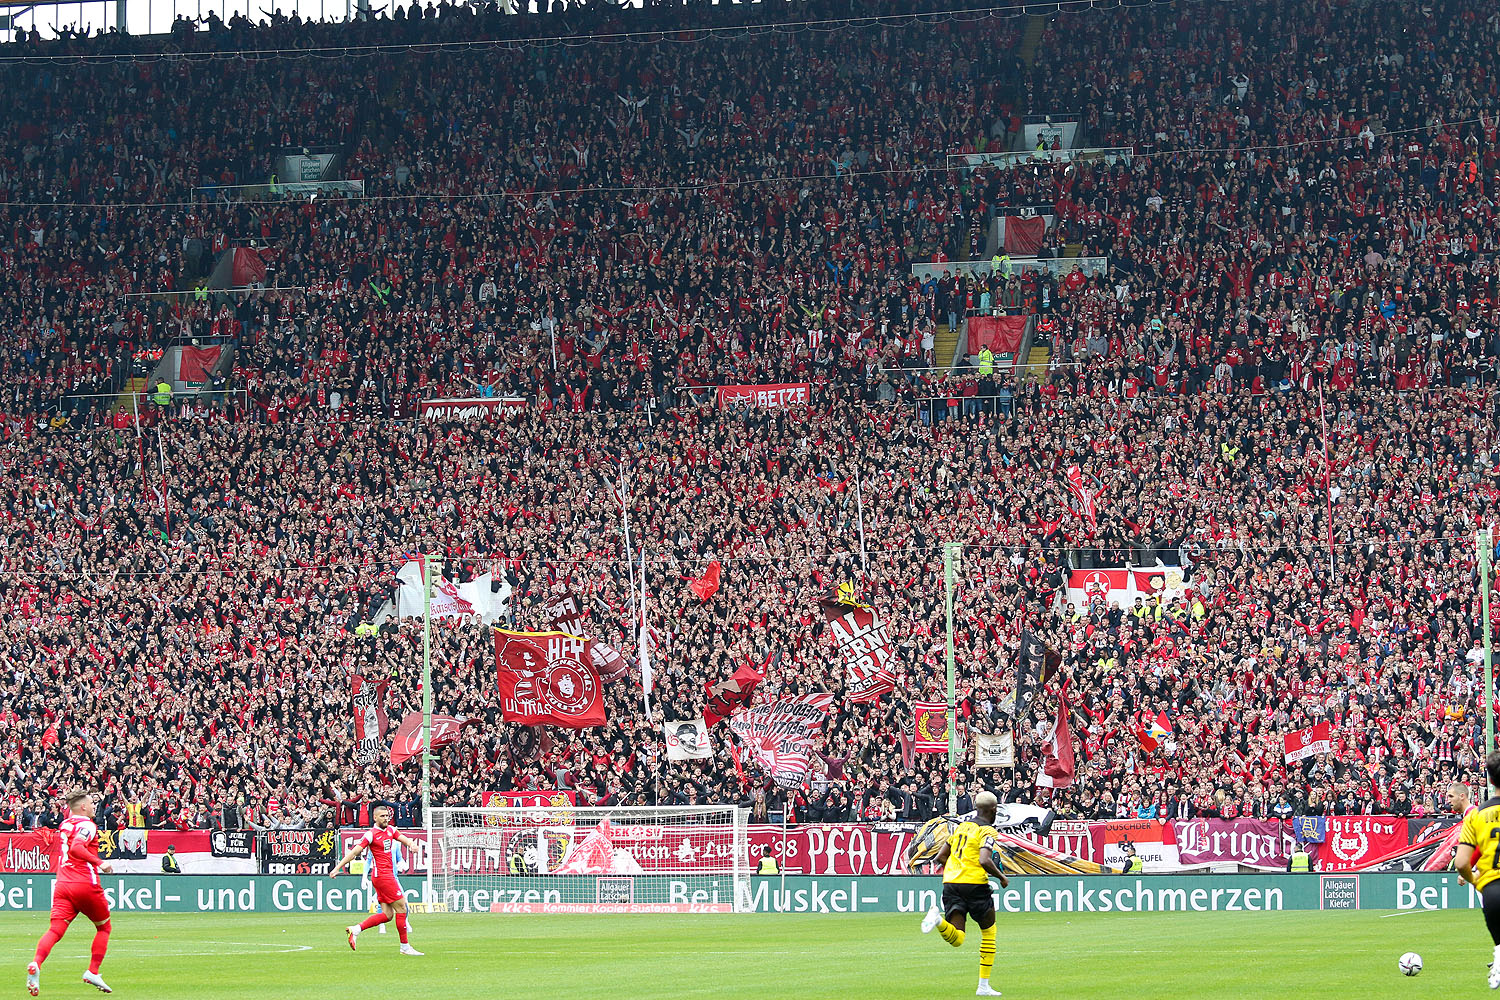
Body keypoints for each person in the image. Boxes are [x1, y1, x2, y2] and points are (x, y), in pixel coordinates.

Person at [920, 791, 1009, 997]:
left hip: (951, 883)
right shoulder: (987, 831)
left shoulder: (961, 828)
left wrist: (957, 868)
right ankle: (983, 986)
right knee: (988, 933)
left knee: (958, 938)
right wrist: (1001, 877)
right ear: (993, 810)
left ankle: (937, 920)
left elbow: (941, 857)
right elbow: (985, 860)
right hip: (975, 885)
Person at [27, 791, 114, 996]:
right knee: (104, 928)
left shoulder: (65, 824)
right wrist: (100, 863)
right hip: (84, 883)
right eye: (92, 803)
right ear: (83, 807)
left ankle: (36, 963)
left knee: (55, 930)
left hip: (62, 884)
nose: (94, 806)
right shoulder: (87, 826)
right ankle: (93, 971)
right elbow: (76, 848)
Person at [331, 804, 422, 955]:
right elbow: (354, 852)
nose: (386, 819)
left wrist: (412, 845)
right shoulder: (371, 834)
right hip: (383, 877)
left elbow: (404, 839)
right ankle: (405, 947)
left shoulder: (391, 830)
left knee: (387, 915)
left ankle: (356, 929)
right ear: (375, 818)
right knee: (402, 908)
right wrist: (337, 867)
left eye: (387, 816)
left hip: (384, 876)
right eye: (382, 816)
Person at [1454, 751, 1500, 990]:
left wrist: (1475, 881)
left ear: (1490, 780)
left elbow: (1461, 863)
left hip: (1492, 890)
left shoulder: (1477, 815)